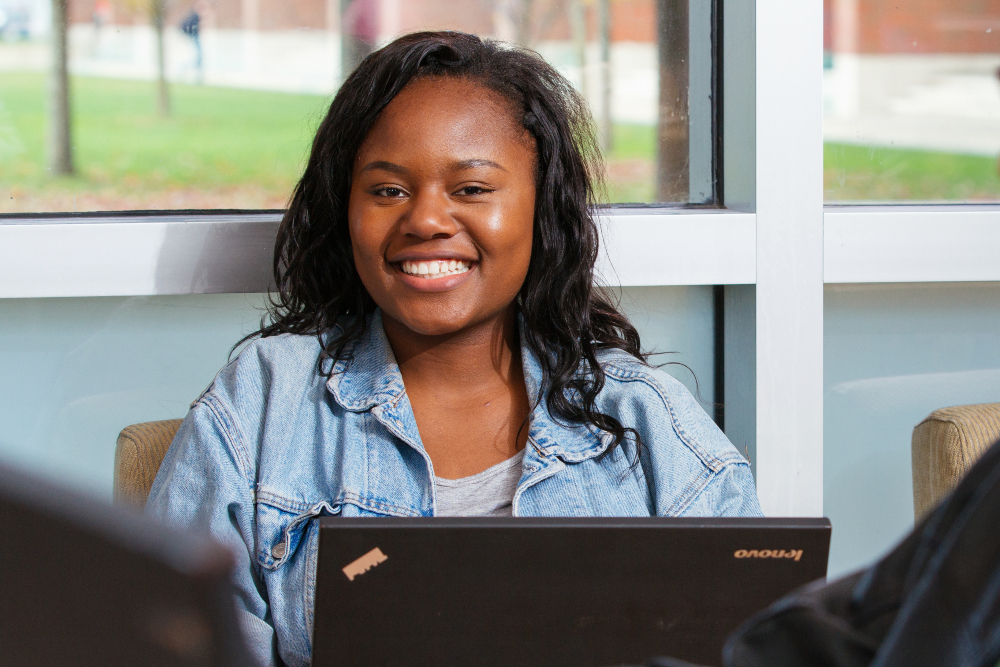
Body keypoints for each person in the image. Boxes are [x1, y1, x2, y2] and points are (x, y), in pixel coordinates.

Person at [147, 31, 762, 667]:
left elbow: (753, 643)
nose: (425, 220)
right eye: (387, 190)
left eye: (471, 189)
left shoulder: (649, 424)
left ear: (541, 210)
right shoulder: (261, 402)